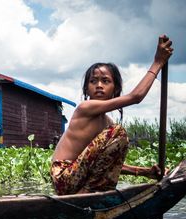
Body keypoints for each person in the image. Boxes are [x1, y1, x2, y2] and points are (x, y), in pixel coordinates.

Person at [50, 34, 173, 195]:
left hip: (78, 176)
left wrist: (144, 172)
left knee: (115, 133)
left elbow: (105, 163)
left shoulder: (106, 123)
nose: (99, 85)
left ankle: (88, 195)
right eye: (93, 81)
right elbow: (136, 97)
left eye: (105, 81)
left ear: (115, 88)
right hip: (63, 177)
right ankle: (85, 196)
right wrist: (158, 62)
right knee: (118, 132)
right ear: (87, 89)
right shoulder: (85, 108)